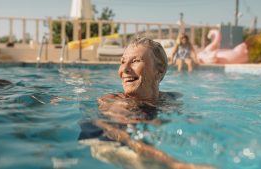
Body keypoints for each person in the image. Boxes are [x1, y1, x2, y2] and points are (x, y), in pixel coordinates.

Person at [79, 37, 215, 169]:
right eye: (122, 62)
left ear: (159, 70)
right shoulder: (116, 101)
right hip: (104, 142)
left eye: (135, 61)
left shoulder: (170, 99)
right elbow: (119, 134)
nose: (124, 69)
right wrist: (175, 164)